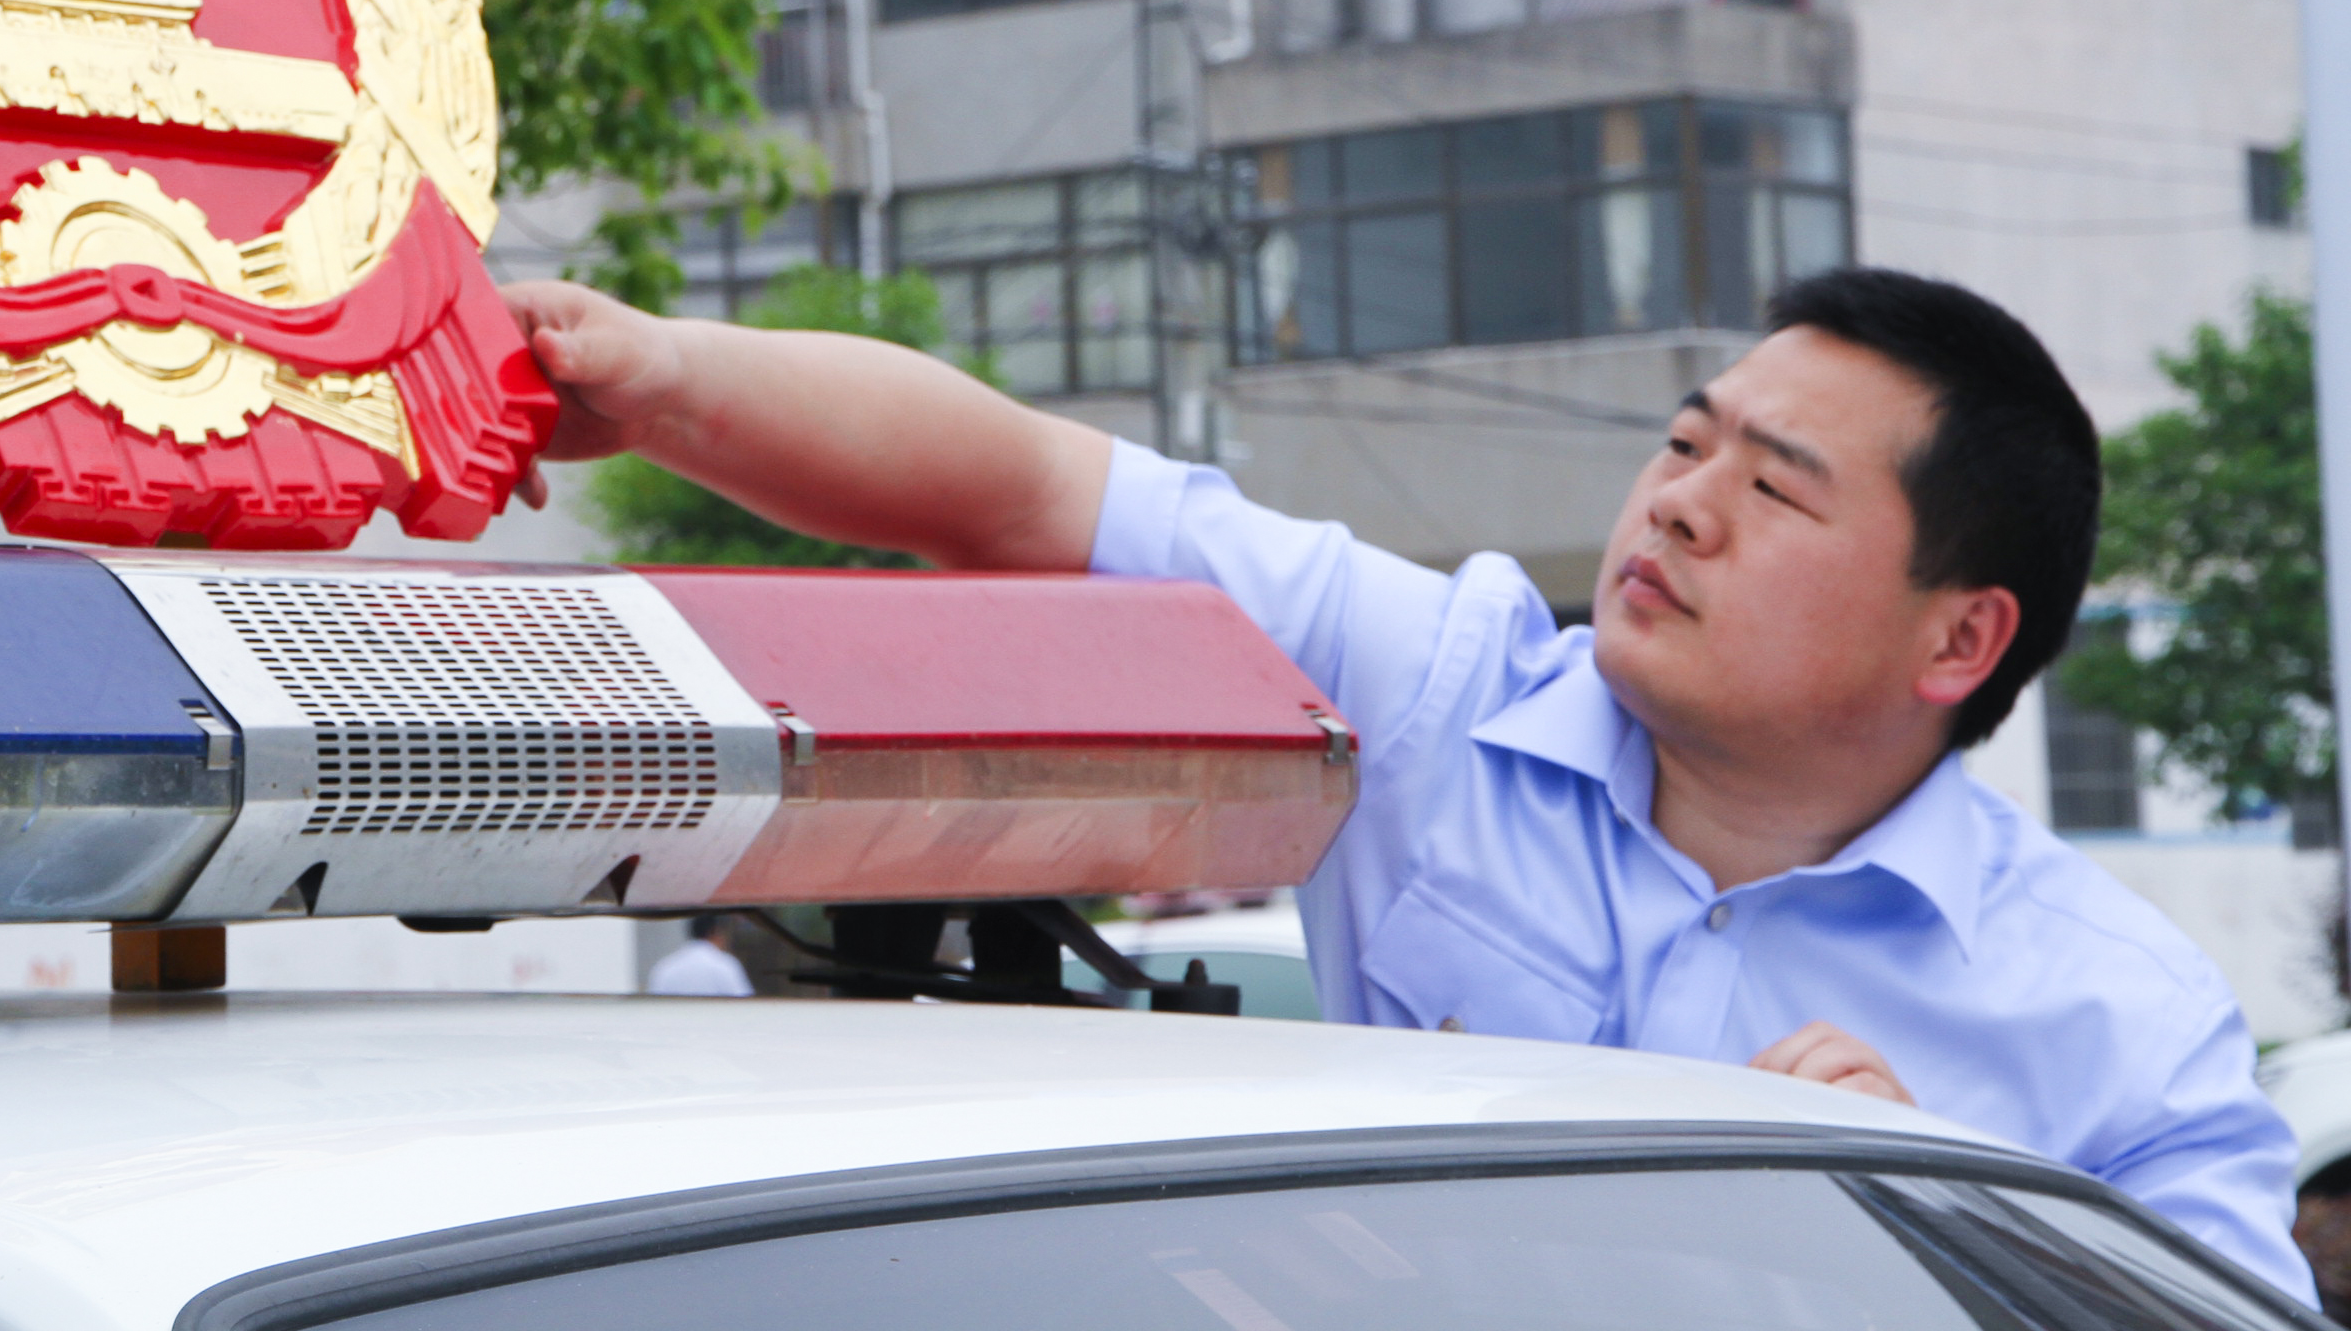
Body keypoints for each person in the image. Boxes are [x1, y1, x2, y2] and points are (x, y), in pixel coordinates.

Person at [504, 265, 2314, 1300]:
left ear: (1955, 638)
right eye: (1681, 443)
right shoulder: (1441, 696)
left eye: (1772, 491)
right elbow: (1033, 492)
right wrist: (662, 372)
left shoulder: (2120, 1031)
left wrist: (1925, 1215)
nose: (1676, 502)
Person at [648, 912, 759, 997]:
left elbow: (654, 1008)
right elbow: (745, 1005)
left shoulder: (665, 967)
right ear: (715, 931)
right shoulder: (725, 965)